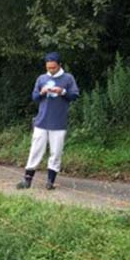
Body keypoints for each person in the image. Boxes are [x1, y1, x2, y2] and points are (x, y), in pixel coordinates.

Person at [17, 52, 80, 191]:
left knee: (56, 152)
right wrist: (42, 92)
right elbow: (34, 97)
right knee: (35, 151)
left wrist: (62, 92)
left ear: (59, 65)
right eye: (48, 68)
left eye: (53, 68)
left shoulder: (68, 78)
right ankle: (27, 181)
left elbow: (75, 95)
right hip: (41, 121)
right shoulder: (41, 78)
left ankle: (50, 182)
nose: (51, 70)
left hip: (58, 122)